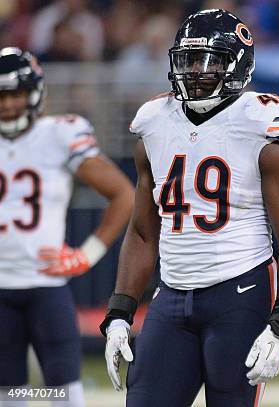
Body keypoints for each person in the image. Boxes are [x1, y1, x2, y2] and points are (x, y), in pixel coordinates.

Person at [99, 9, 279, 407]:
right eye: (189, 59)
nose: (195, 71)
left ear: (239, 64)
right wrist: (120, 310)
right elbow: (144, 230)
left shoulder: (261, 119)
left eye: (209, 60)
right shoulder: (153, 120)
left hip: (241, 289)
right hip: (171, 292)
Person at [0, 47, 134, 406]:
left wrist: (86, 255)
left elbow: (124, 194)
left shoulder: (59, 134)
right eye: (1, 97)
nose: (9, 105)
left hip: (46, 284)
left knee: (64, 395)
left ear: (34, 93)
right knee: (9, 396)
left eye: (15, 95)